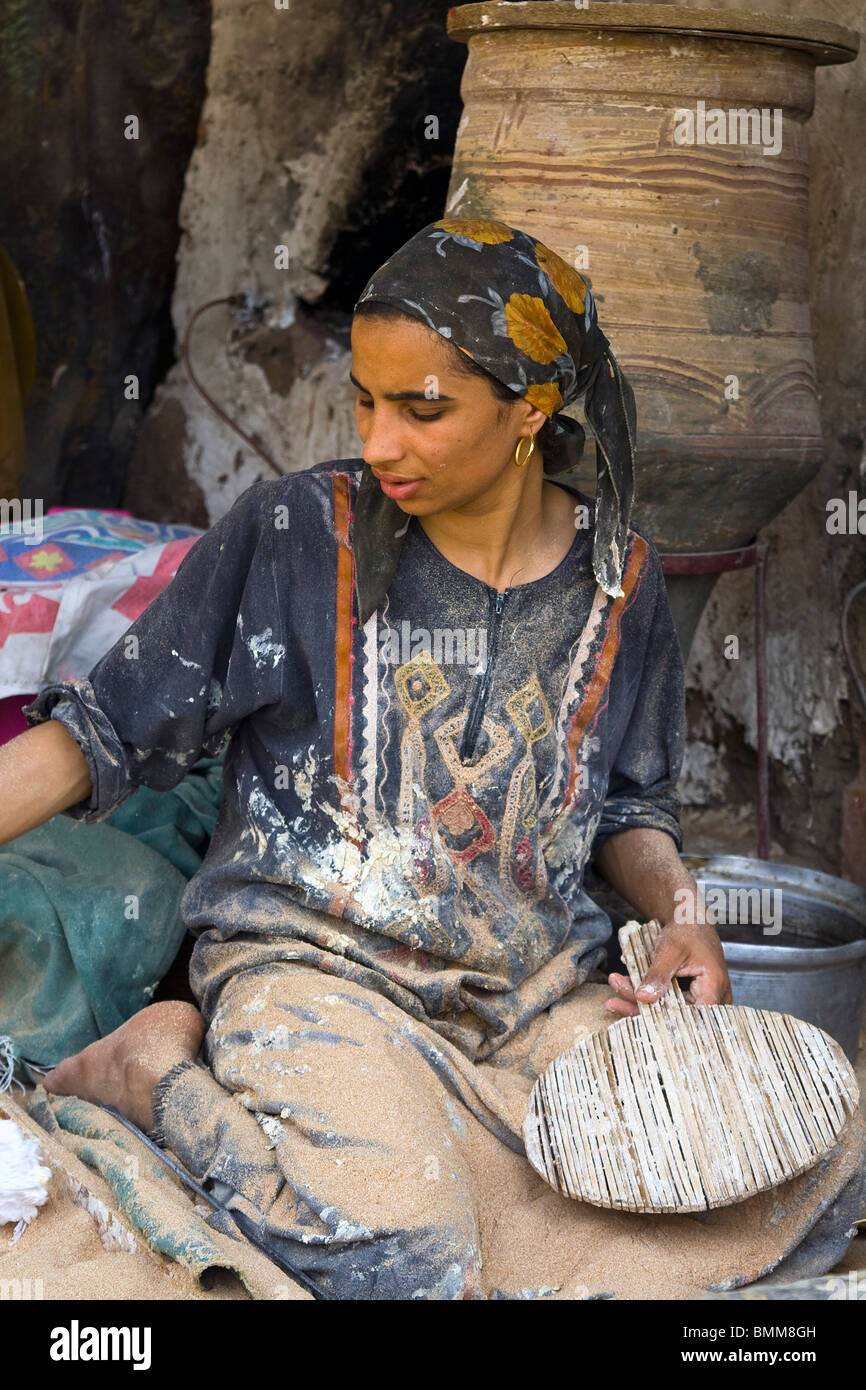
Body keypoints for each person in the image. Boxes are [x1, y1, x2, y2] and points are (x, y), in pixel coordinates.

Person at [2, 217, 863, 1299]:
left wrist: (681, 909)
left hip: (530, 997)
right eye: (364, 400)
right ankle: (158, 1076)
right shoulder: (295, 536)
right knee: (401, 1255)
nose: (378, 442)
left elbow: (631, 811)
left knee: (818, 1167)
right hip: (315, 978)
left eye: (422, 409)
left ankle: (444, 1185)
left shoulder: (619, 582)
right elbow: (99, 737)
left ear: (529, 412)